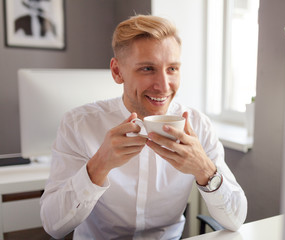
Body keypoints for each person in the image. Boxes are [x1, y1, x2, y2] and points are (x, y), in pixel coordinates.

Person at [40, 15, 247, 239]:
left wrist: (205, 170)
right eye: (148, 69)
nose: (164, 86)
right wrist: (98, 165)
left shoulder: (198, 126)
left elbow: (235, 220)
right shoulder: (78, 124)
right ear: (117, 72)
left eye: (172, 69)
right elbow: (54, 226)